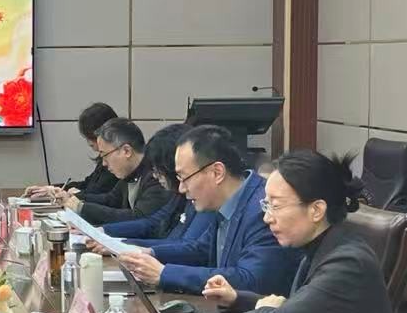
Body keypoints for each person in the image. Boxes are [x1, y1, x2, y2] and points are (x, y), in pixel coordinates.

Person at [202, 149, 403, 313]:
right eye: (266, 205)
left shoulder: (348, 263)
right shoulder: (320, 245)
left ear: (316, 210)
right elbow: (298, 309)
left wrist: (265, 310)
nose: (267, 217)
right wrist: (238, 299)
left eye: (276, 206)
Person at [120, 124, 296, 295]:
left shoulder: (263, 209)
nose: (181, 188)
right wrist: (148, 252)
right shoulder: (227, 202)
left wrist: (164, 273)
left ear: (217, 172)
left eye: (184, 177)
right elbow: (200, 250)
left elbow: (249, 280)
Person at [98, 123, 206, 248]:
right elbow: (153, 223)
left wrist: (124, 245)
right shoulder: (178, 195)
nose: (155, 176)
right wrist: (103, 231)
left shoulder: (203, 198)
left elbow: (187, 246)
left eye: (158, 170)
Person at [60, 117, 171, 227]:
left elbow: (138, 218)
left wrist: (82, 208)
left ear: (126, 151)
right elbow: (110, 200)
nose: (104, 163)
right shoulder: (130, 172)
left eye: (105, 155)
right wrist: (73, 197)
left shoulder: (157, 174)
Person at [26, 101, 118, 201]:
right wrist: (52, 189)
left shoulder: (117, 163)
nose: (89, 142)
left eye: (90, 136)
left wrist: (72, 195)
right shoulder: (104, 160)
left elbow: (101, 195)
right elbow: (87, 184)